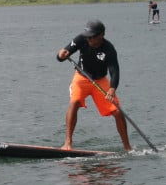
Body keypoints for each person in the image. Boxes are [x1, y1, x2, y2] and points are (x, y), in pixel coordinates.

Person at [56, 20, 132, 151]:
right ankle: (67, 143)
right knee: (74, 102)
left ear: (101, 35)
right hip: (81, 78)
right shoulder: (81, 39)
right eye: (88, 36)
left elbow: (114, 71)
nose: (89, 39)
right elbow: (62, 55)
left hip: (100, 80)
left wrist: (112, 89)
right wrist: (60, 54)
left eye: (92, 36)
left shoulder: (109, 49)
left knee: (117, 111)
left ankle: (127, 147)